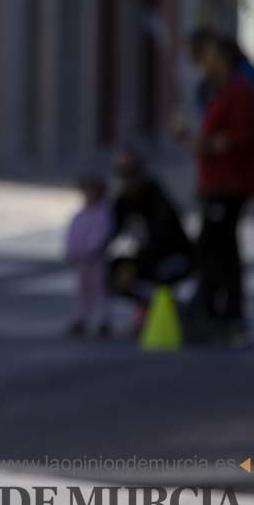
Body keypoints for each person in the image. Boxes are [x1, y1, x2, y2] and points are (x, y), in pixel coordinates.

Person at [184, 35, 254, 347]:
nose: (205, 63)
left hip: (230, 183)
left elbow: (240, 137)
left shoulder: (238, 92)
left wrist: (206, 144)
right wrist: (191, 139)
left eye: (211, 57)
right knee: (215, 247)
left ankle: (228, 315)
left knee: (219, 248)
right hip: (215, 182)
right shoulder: (221, 91)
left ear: (224, 60)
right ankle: (216, 311)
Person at [107, 149, 193, 335]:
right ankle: (147, 309)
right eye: (123, 175)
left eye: (131, 175)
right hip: (145, 257)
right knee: (112, 272)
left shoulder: (156, 198)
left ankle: (172, 313)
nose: (127, 181)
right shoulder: (123, 201)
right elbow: (112, 231)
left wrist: (134, 266)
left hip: (173, 256)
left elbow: (163, 239)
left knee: (160, 274)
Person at [64, 174, 113, 338]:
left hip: (96, 259)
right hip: (81, 259)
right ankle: (80, 319)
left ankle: (102, 321)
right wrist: (72, 251)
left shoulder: (102, 214)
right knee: (81, 291)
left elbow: (100, 235)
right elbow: (72, 234)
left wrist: (90, 250)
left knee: (99, 291)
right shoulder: (80, 215)